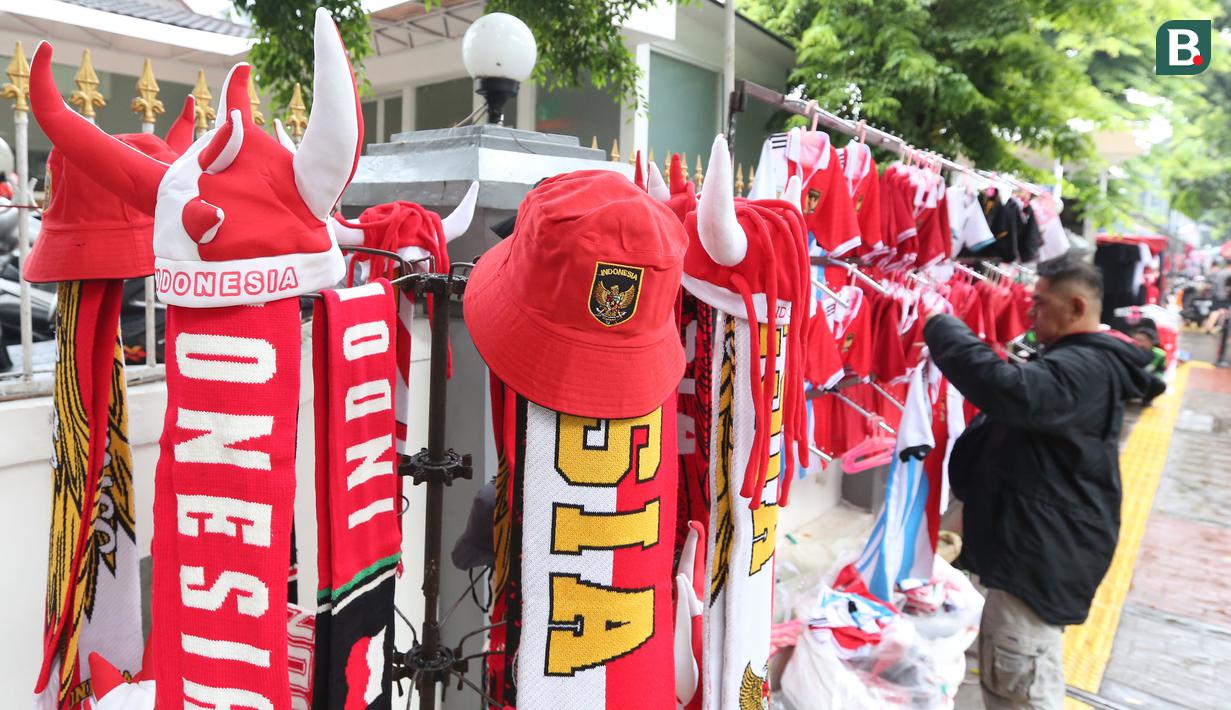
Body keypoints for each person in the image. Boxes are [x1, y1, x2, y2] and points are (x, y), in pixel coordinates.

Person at [923, 255, 1151, 709]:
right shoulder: (1082, 361)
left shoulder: (1084, 367)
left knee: (1021, 685)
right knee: (1010, 674)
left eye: (1041, 303)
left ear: (1076, 307)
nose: (1031, 313)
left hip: (1038, 563)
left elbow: (1009, 390)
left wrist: (941, 326)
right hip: (1037, 551)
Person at [1130, 328, 1168, 405]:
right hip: (1130, 379)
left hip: (1147, 378)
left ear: (1151, 342)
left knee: (1159, 384)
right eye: (1135, 339)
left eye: (1141, 340)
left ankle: (1146, 397)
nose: (1137, 342)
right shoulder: (1128, 350)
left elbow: (1159, 370)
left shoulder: (1159, 354)